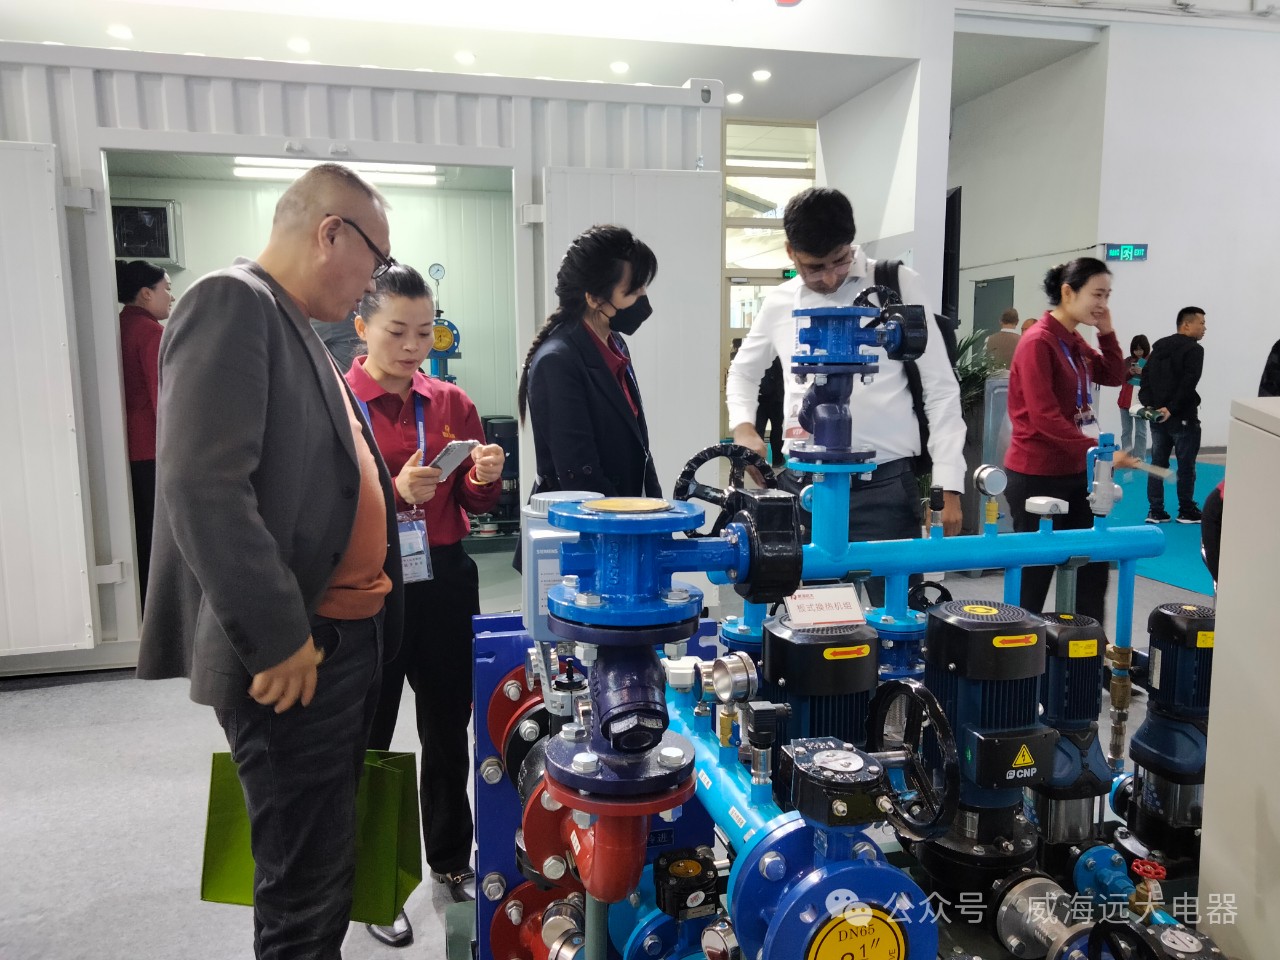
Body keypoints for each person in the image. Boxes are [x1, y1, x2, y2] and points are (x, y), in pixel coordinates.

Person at [137, 163, 404, 960]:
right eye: (377, 261)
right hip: (296, 653)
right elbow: (203, 486)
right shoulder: (231, 302)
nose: (373, 283)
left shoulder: (292, 323)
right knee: (304, 888)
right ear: (331, 233)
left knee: (325, 857)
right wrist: (280, 636)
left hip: (341, 636)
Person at [345, 264, 505, 941]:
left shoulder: (449, 402)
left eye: (425, 331)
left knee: (447, 725)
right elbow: (323, 503)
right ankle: (376, 886)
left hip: (443, 578)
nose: (413, 346)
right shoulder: (337, 403)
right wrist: (392, 490)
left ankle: (449, 860)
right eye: (397, 331)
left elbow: (472, 501)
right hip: (369, 581)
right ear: (362, 328)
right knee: (371, 734)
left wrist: (484, 478)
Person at [725, 187, 966, 606]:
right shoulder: (780, 302)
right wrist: (744, 428)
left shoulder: (896, 284)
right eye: (814, 267)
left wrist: (949, 484)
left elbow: (940, 387)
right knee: (806, 626)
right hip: (805, 491)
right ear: (790, 252)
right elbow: (744, 372)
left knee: (899, 620)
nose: (830, 277)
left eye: (840, 260)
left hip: (885, 491)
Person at [1004, 258, 1139, 624]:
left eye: (1107, 295)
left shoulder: (1073, 339)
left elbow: (1112, 375)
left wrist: (1107, 332)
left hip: (1078, 472)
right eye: (1097, 294)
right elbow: (1044, 418)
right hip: (1038, 475)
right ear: (1068, 292)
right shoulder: (1038, 342)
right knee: (1034, 578)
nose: (1102, 304)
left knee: (1092, 572)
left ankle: (1088, 649)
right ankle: (1019, 648)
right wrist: (1097, 452)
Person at [517, 224, 660, 499]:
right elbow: (581, 475)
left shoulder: (615, 343)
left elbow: (640, 449)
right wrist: (629, 517)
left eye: (643, 286)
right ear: (594, 298)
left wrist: (656, 507)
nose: (642, 297)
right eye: (633, 290)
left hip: (623, 511)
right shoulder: (557, 362)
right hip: (585, 518)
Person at [115, 259, 174, 610]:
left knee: (142, 531)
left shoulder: (121, 325)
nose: (171, 296)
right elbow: (162, 398)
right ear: (146, 293)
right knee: (159, 536)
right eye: (167, 288)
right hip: (152, 448)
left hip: (131, 448)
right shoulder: (150, 332)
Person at [1140, 306, 1207, 524]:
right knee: (1186, 466)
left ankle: (1155, 511)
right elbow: (1189, 382)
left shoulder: (1159, 347)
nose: (1205, 328)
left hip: (1158, 417)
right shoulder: (1194, 350)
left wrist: (1150, 405)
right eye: (1201, 323)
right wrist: (1172, 408)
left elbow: (1145, 377)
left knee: (1157, 464)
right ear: (1186, 325)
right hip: (1182, 417)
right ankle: (1186, 510)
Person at [1117, 334, 1151, 462]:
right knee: (1126, 431)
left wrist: (1143, 372)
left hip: (1140, 401)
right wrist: (1129, 372)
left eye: (1141, 349)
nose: (1138, 352)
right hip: (1125, 400)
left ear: (1146, 349)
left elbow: (1155, 380)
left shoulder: (1150, 362)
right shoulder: (1127, 361)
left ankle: (1139, 458)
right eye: (1136, 349)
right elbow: (1120, 378)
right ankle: (1126, 458)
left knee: (1140, 431)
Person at [755, 357, 786, 467]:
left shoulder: (758, 356)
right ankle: (778, 460)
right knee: (777, 430)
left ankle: (757, 461)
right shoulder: (778, 357)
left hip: (759, 398)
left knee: (759, 430)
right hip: (777, 399)